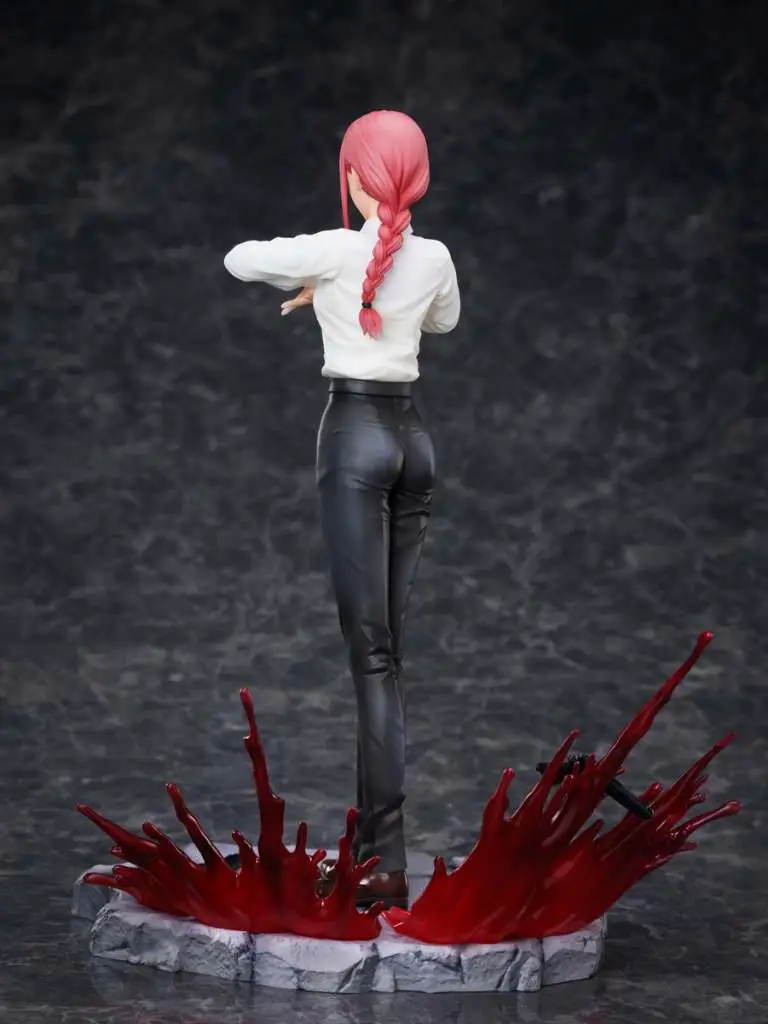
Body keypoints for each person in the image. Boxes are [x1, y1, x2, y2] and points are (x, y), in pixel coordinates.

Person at [223, 109, 461, 909]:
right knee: (386, 656)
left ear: (356, 177)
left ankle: (384, 864)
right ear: (417, 179)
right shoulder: (435, 257)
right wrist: (361, 293)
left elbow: (238, 259)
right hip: (414, 441)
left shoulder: (334, 248)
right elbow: (444, 320)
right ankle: (372, 856)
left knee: (372, 658)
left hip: (356, 437)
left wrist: (327, 281)